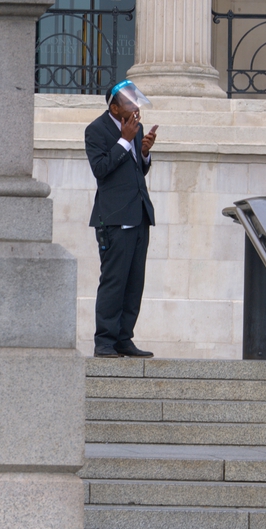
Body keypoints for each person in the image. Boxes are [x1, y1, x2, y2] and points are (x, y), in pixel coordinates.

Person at [85, 79, 160, 358]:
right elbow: (101, 169)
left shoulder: (135, 129)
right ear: (115, 108)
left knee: (134, 282)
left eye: (135, 101)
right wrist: (124, 141)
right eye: (129, 102)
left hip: (139, 215)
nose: (135, 106)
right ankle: (104, 341)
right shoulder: (96, 130)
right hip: (114, 220)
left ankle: (124, 338)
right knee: (114, 281)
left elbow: (136, 171)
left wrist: (144, 152)